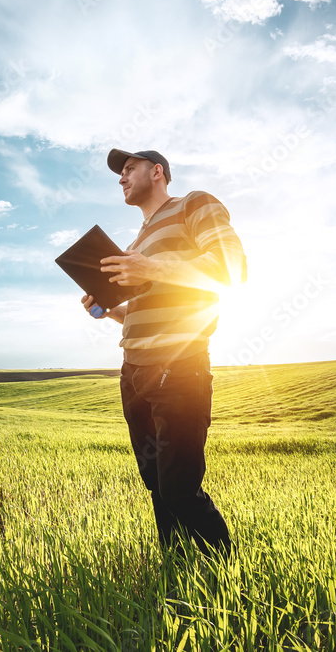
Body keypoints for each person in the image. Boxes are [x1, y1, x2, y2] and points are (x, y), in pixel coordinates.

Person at [80, 149, 247, 559]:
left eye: (129, 169)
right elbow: (141, 312)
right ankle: (175, 567)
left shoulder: (194, 204)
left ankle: (228, 574)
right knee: (155, 480)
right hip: (133, 372)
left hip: (179, 366)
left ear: (157, 172)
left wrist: (149, 269)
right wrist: (109, 309)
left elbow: (232, 268)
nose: (121, 177)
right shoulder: (136, 243)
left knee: (178, 486)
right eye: (119, 173)